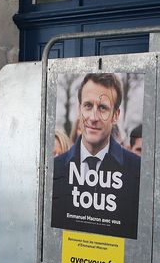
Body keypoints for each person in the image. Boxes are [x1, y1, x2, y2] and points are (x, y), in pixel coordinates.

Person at [52, 72, 141, 239]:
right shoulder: (55, 169)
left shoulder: (137, 171)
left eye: (102, 108)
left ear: (115, 115)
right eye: (87, 106)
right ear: (79, 110)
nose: (93, 118)